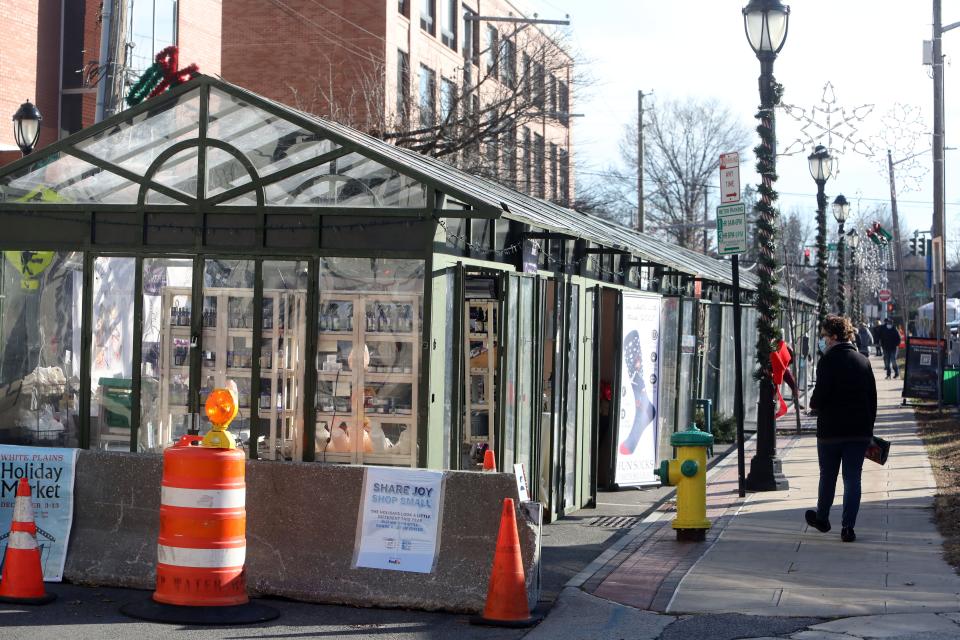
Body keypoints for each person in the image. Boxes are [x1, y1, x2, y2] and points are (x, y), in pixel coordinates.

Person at [806, 315, 877, 543]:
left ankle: (823, 518)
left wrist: (815, 404)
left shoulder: (827, 361)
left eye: (825, 336)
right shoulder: (862, 361)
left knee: (828, 476)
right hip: (858, 432)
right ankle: (848, 528)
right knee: (852, 478)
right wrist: (868, 429)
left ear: (834, 337)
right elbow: (872, 399)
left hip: (830, 431)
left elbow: (819, 397)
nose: (823, 340)